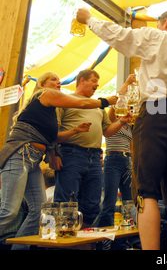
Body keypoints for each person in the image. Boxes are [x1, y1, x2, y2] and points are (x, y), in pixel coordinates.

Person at [77, 8, 167, 250]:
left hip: (156, 114)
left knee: (145, 191)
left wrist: (88, 19)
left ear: (165, 22)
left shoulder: (159, 37)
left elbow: (120, 36)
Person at [0, 72, 117, 249]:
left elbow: (53, 137)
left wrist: (71, 134)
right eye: (53, 79)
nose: (58, 82)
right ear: (42, 84)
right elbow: (83, 102)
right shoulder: (45, 95)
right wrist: (105, 101)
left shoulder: (49, 112)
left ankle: (19, 248)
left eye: (58, 79)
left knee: (38, 213)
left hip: (34, 161)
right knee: (9, 211)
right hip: (20, 154)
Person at [55, 69, 130, 228]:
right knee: (67, 202)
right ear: (82, 80)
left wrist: (123, 121)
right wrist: (53, 153)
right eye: (94, 80)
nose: (97, 84)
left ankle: (86, 242)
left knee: (92, 204)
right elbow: (53, 130)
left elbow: (108, 132)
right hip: (71, 153)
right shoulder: (66, 100)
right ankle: (62, 243)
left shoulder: (98, 107)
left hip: (95, 157)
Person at [94, 74, 135, 227]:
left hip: (127, 160)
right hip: (113, 160)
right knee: (109, 202)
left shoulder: (129, 125)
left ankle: (127, 240)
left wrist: (134, 165)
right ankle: (104, 238)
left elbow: (132, 148)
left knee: (129, 202)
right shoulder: (112, 120)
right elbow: (116, 101)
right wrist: (126, 83)